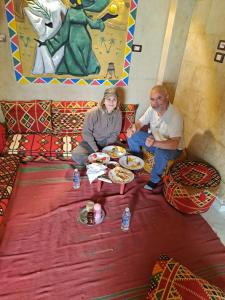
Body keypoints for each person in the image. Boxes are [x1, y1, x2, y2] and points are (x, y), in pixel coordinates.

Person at [126, 85, 184, 191]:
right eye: (152, 99)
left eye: (159, 98)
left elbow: (175, 143)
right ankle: (136, 160)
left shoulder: (175, 115)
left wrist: (155, 143)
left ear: (167, 97)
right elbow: (140, 123)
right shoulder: (152, 108)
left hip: (172, 148)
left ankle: (154, 179)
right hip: (154, 141)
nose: (155, 102)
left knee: (161, 153)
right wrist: (134, 128)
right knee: (132, 136)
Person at [72, 88, 122, 165]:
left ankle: (99, 161)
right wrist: (96, 150)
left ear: (117, 101)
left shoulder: (118, 114)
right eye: (109, 99)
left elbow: (115, 133)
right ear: (104, 101)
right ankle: (98, 162)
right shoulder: (92, 113)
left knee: (124, 154)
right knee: (76, 155)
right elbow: (86, 133)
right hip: (91, 143)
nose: (111, 102)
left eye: (114, 99)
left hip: (108, 143)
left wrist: (106, 149)